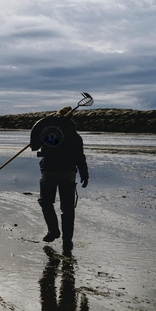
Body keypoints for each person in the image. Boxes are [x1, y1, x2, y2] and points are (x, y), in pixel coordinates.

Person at [31, 105, 89, 252]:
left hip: (49, 170)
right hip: (68, 172)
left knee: (46, 201)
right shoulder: (75, 136)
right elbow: (80, 157)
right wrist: (84, 174)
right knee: (68, 208)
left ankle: (53, 230)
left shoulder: (48, 131)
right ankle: (67, 242)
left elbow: (34, 145)